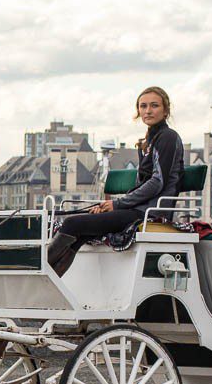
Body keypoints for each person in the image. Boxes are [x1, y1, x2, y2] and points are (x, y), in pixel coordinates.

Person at [48, 86, 185, 276]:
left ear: (165, 110)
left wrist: (117, 204)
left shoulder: (168, 137)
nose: (148, 111)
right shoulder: (148, 141)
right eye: (143, 106)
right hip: (137, 209)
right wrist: (110, 206)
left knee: (71, 224)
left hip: (150, 213)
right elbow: (141, 185)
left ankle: (36, 277)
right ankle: (50, 284)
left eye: (154, 106)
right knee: (80, 233)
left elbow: (157, 183)